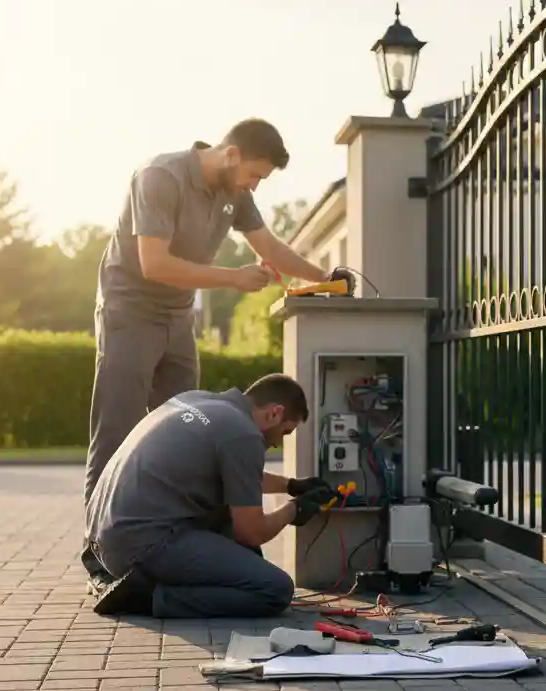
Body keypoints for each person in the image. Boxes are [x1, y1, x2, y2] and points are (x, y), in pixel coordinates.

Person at [81, 119, 354, 590]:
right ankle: (99, 558)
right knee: (118, 433)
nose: (255, 186)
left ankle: (190, 541)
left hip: (177, 318)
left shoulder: (235, 195)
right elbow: (154, 263)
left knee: (190, 430)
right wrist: (232, 277)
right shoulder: (160, 178)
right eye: (255, 175)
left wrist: (327, 281)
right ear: (230, 155)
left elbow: (269, 247)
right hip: (130, 312)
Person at [86, 373, 335, 618]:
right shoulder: (244, 434)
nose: (279, 443)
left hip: (105, 537)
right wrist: (294, 510)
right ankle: (147, 597)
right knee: (275, 589)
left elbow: (238, 474)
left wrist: (291, 486)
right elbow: (251, 531)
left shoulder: (196, 401)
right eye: (286, 432)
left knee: (243, 549)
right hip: (138, 547)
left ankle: (153, 580)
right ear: (274, 413)